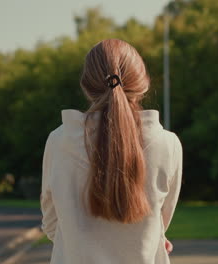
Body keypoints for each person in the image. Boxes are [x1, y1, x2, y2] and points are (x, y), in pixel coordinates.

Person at [40, 38, 183, 264]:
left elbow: (51, 223)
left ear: (86, 86)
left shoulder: (59, 141)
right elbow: (160, 222)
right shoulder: (169, 144)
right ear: (142, 84)